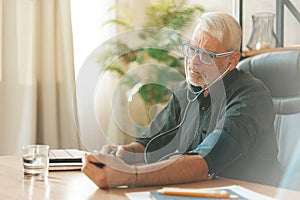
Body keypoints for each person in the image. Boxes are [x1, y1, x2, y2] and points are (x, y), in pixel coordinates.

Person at [82, 12, 282, 189]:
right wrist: (124, 153)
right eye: (192, 49)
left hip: (252, 193)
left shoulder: (250, 96)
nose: (193, 61)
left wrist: (129, 176)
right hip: (205, 192)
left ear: (232, 60)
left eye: (206, 55)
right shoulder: (187, 91)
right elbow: (152, 143)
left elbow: (204, 163)